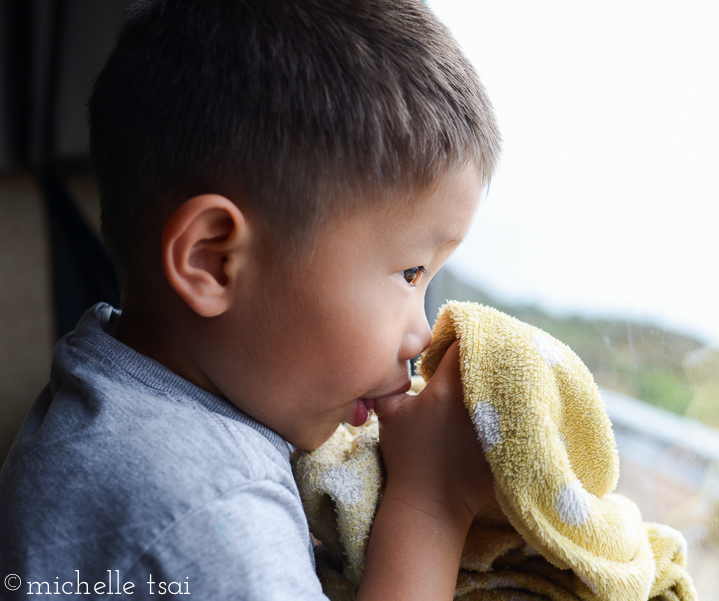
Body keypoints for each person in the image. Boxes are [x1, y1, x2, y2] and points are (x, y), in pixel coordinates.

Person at [0, 0, 501, 598]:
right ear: (214, 261)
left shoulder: (111, 381)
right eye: (410, 272)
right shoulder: (208, 514)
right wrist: (433, 501)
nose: (421, 335)